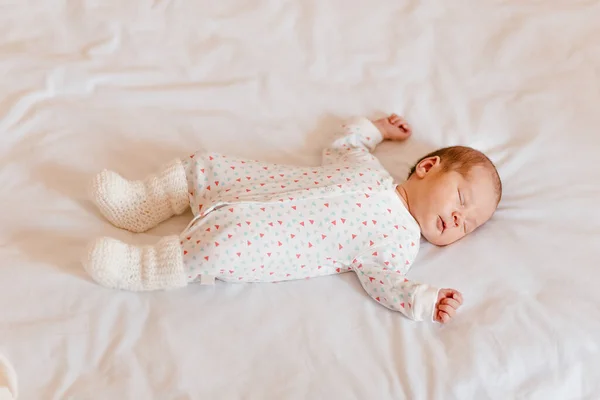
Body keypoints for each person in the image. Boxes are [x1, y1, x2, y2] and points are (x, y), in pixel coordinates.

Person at [83, 114, 501, 324]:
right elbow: (344, 144)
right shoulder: (369, 170)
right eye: (462, 199)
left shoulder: (398, 245)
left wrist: (426, 301)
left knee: (214, 248)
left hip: (260, 238)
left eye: (469, 223)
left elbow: (387, 286)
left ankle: (140, 268)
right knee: (205, 165)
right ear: (427, 168)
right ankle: (141, 203)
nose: (459, 218)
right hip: (256, 184)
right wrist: (375, 128)